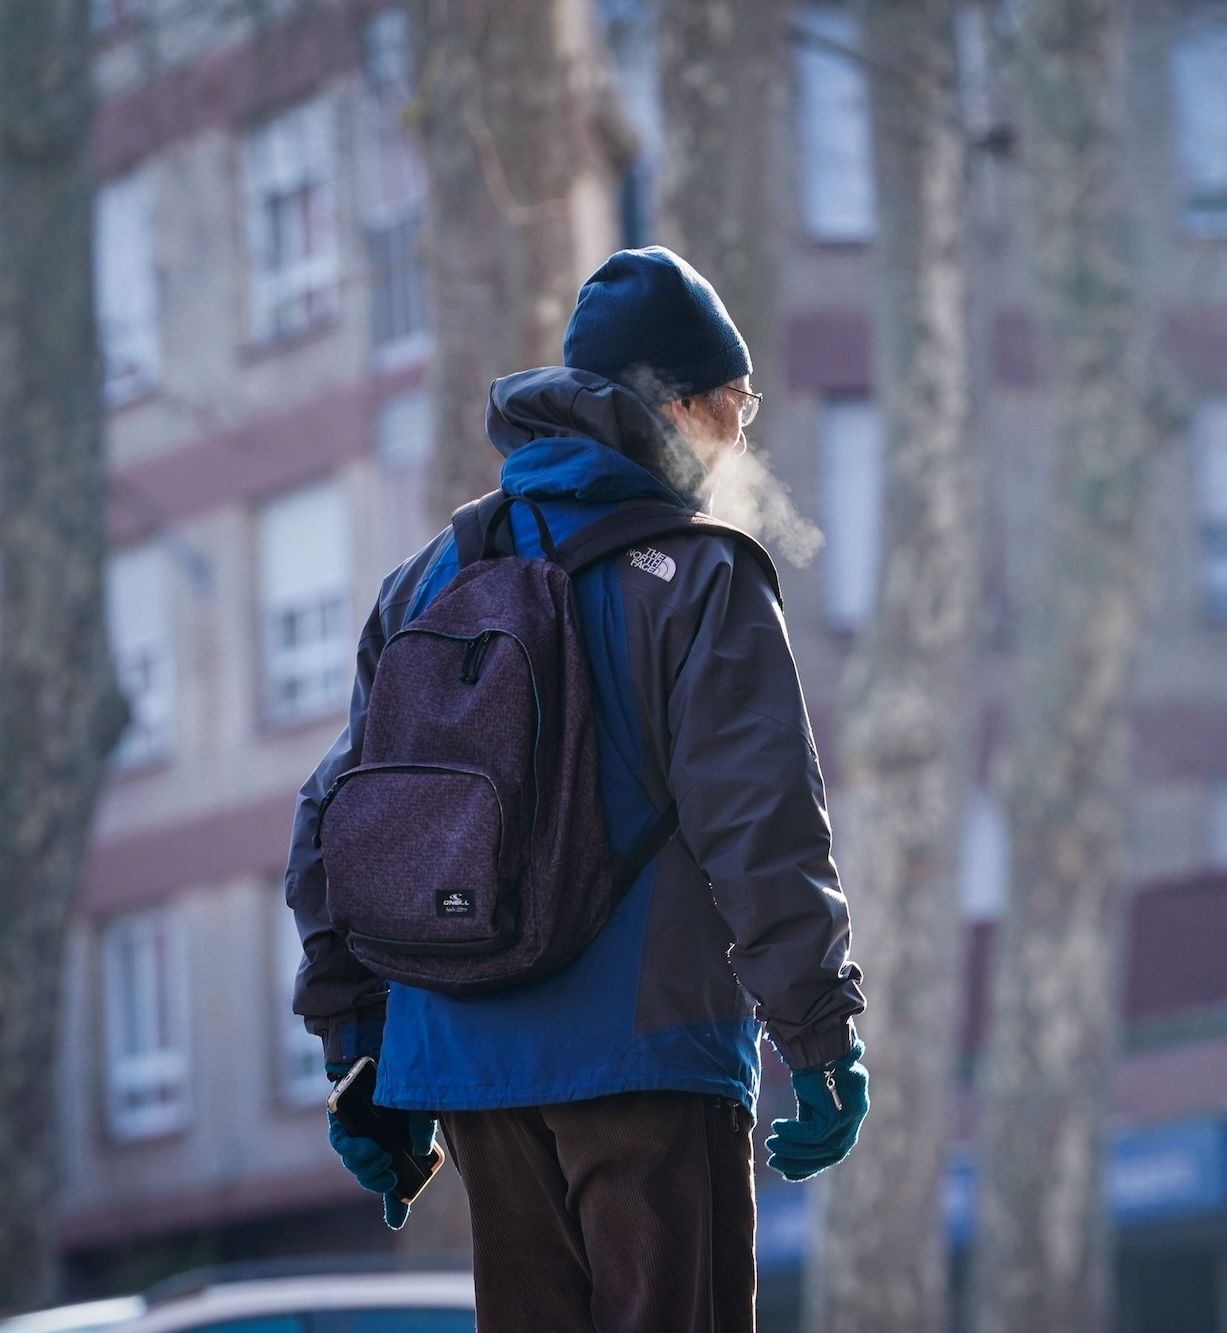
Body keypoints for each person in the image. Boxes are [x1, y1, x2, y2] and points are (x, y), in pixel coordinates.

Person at [284, 247, 868, 1333]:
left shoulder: (428, 577)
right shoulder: (699, 577)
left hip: (462, 1064)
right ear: (680, 404)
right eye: (735, 405)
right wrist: (822, 1038)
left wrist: (359, 1049)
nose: (743, 433)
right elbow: (761, 827)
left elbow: (334, 818)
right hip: (646, 1054)